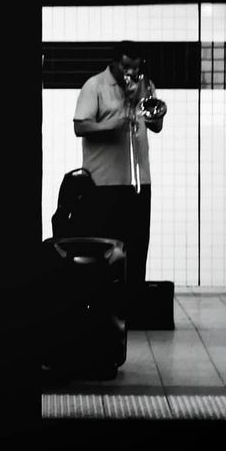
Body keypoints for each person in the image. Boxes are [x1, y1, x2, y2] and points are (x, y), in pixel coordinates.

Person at [73, 41, 165, 324]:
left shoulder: (145, 85)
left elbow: (156, 126)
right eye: (126, 66)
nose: (131, 72)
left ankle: (132, 311)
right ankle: (102, 311)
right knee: (106, 251)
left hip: (138, 183)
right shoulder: (95, 86)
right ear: (114, 63)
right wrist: (113, 124)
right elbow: (80, 125)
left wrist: (156, 114)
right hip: (104, 185)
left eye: (136, 67)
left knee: (137, 247)